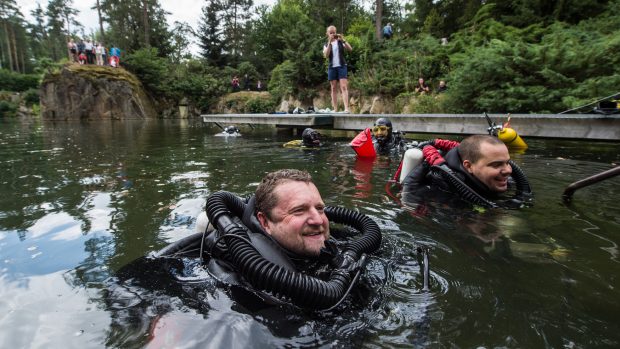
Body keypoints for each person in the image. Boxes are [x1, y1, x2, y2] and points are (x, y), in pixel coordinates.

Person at [401, 135, 532, 208]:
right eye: (496, 165)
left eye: (508, 162)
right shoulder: (441, 190)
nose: (508, 171)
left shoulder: (508, 182)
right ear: (469, 166)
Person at [323, 25, 352, 113]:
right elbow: (326, 55)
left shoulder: (340, 41)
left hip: (342, 65)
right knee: (333, 88)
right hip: (332, 67)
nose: (332, 34)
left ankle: (346, 108)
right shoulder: (326, 44)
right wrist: (329, 43)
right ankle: (335, 109)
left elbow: (350, 49)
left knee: (343, 86)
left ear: (336, 32)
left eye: (334, 32)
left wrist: (343, 39)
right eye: (330, 33)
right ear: (327, 34)